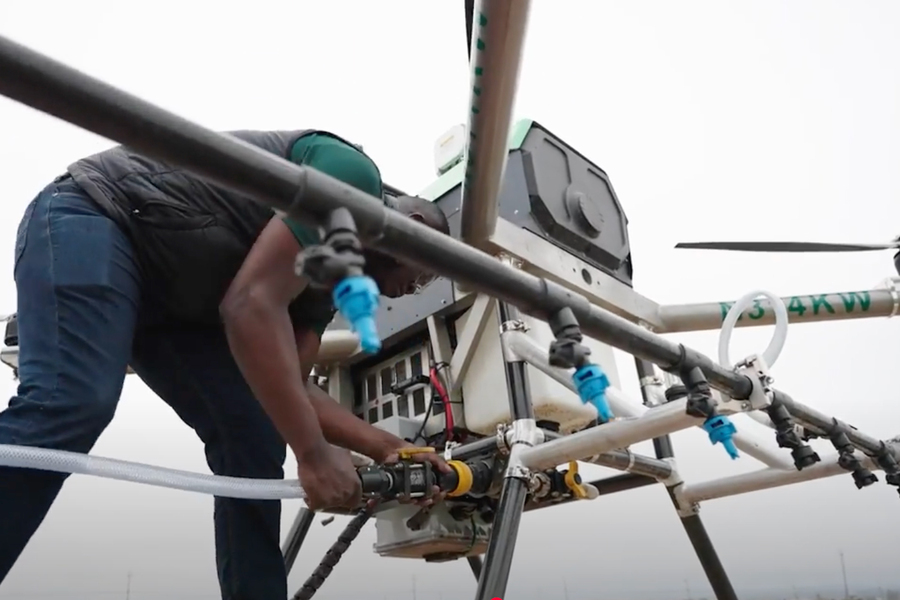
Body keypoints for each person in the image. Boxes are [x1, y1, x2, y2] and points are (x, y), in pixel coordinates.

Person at [0, 129, 452, 599]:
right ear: (412, 224)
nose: (407, 293)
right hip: (96, 214)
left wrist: (387, 446)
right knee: (72, 400)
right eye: (421, 277)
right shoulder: (351, 178)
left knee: (253, 433)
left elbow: (289, 386)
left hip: (168, 306)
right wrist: (313, 453)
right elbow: (250, 304)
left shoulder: (325, 285)